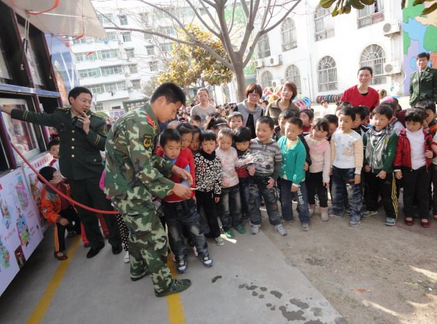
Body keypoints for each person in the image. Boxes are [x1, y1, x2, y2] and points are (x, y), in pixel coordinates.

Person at [0, 87, 122, 258]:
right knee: (85, 214)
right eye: (83, 100)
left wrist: (87, 130)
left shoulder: (96, 121)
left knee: (104, 209)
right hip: (73, 175)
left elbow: (104, 145)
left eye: (89, 101)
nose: (87, 104)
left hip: (94, 173)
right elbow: (38, 118)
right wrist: (8, 110)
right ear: (71, 100)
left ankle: (116, 242)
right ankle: (96, 243)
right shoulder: (61, 116)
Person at [104, 82, 192, 297]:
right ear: (161, 101)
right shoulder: (142, 123)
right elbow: (143, 168)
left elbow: (149, 157)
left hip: (123, 186)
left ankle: (138, 267)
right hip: (129, 189)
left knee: (138, 231)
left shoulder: (144, 119)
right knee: (155, 238)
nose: (172, 116)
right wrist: (173, 187)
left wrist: (174, 168)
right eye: (173, 110)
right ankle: (163, 285)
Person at [158, 129, 214, 273]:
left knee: (196, 230)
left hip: (186, 203)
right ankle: (180, 257)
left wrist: (184, 189)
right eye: (170, 148)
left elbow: (188, 179)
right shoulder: (158, 161)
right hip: (168, 205)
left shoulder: (183, 160)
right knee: (174, 234)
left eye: (178, 147)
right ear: (161, 147)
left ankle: (203, 252)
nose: (175, 151)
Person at [394, 108, 433, 228]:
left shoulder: (427, 135)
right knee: (408, 192)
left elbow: (432, 149)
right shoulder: (402, 135)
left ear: (422, 123)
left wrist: (432, 154)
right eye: (408, 123)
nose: (410, 126)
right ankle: (409, 214)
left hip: (423, 168)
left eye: (414, 123)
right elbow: (398, 153)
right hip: (408, 168)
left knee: (423, 193)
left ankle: (424, 215)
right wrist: (397, 168)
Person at [247, 116, 286, 236]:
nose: (260, 133)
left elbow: (278, 163)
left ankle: (276, 222)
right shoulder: (252, 143)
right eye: (258, 129)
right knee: (253, 202)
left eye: (264, 130)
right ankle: (256, 222)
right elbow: (247, 159)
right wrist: (249, 167)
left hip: (268, 179)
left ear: (272, 131)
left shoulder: (275, 146)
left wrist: (273, 179)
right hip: (254, 179)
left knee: (272, 201)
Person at [363, 105, 399, 226]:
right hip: (370, 169)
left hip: (385, 172)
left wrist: (385, 169)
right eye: (376, 118)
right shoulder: (367, 133)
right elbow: (363, 150)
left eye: (382, 119)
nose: (378, 121)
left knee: (388, 194)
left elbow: (391, 154)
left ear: (389, 120)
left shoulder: (392, 135)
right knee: (371, 191)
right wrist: (365, 164)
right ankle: (371, 208)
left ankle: (391, 214)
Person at [329, 107, 364, 227]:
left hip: (351, 169)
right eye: (340, 120)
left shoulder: (356, 137)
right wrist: (330, 166)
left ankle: (355, 214)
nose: (342, 123)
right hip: (337, 168)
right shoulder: (335, 134)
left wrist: (358, 172)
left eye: (346, 121)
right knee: (337, 191)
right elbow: (332, 151)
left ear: (353, 122)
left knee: (353, 193)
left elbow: (359, 155)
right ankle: (337, 209)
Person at [38, 167, 81, 261]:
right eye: (56, 174)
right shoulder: (47, 194)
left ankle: (74, 229)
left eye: (57, 172)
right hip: (58, 213)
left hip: (69, 208)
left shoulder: (62, 183)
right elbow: (47, 212)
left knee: (80, 217)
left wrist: (66, 180)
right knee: (59, 229)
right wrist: (59, 219)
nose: (58, 174)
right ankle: (58, 250)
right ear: (50, 181)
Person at [278, 117, 311, 231]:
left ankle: (305, 219)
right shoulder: (281, 140)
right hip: (284, 178)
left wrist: (296, 183)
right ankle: (287, 217)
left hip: (298, 180)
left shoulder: (300, 148)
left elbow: (299, 168)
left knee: (301, 201)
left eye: (293, 130)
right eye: (287, 129)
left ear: (300, 131)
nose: (289, 133)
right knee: (285, 200)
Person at [194, 131, 224, 245]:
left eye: (211, 144)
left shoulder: (217, 160)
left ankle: (216, 234)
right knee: (195, 216)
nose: (208, 147)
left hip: (209, 193)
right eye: (205, 144)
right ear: (201, 144)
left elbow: (218, 178)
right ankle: (195, 237)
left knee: (212, 214)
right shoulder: (197, 158)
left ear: (216, 144)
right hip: (197, 193)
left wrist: (217, 193)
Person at [216, 128, 245, 238]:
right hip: (224, 186)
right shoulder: (216, 153)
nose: (225, 145)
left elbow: (236, 163)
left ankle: (237, 223)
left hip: (235, 182)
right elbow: (216, 170)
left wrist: (244, 162)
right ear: (217, 140)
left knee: (237, 205)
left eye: (228, 143)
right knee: (225, 208)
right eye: (222, 142)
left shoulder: (233, 150)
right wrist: (220, 181)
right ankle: (226, 227)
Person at [305, 119, 331, 221]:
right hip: (308, 172)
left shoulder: (326, 144)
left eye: (323, 131)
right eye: (317, 130)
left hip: (320, 172)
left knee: (322, 193)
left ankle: (324, 210)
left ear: (327, 133)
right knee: (309, 191)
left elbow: (327, 161)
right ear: (312, 129)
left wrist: (326, 178)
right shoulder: (306, 140)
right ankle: (312, 207)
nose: (320, 134)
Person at [234, 126, 252, 220]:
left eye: (244, 143)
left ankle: (248, 213)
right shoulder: (233, 151)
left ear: (249, 141)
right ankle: (242, 213)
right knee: (239, 198)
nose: (241, 146)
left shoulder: (250, 151)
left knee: (247, 197)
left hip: (247, 179)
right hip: (236, 179)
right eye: (238, 144)